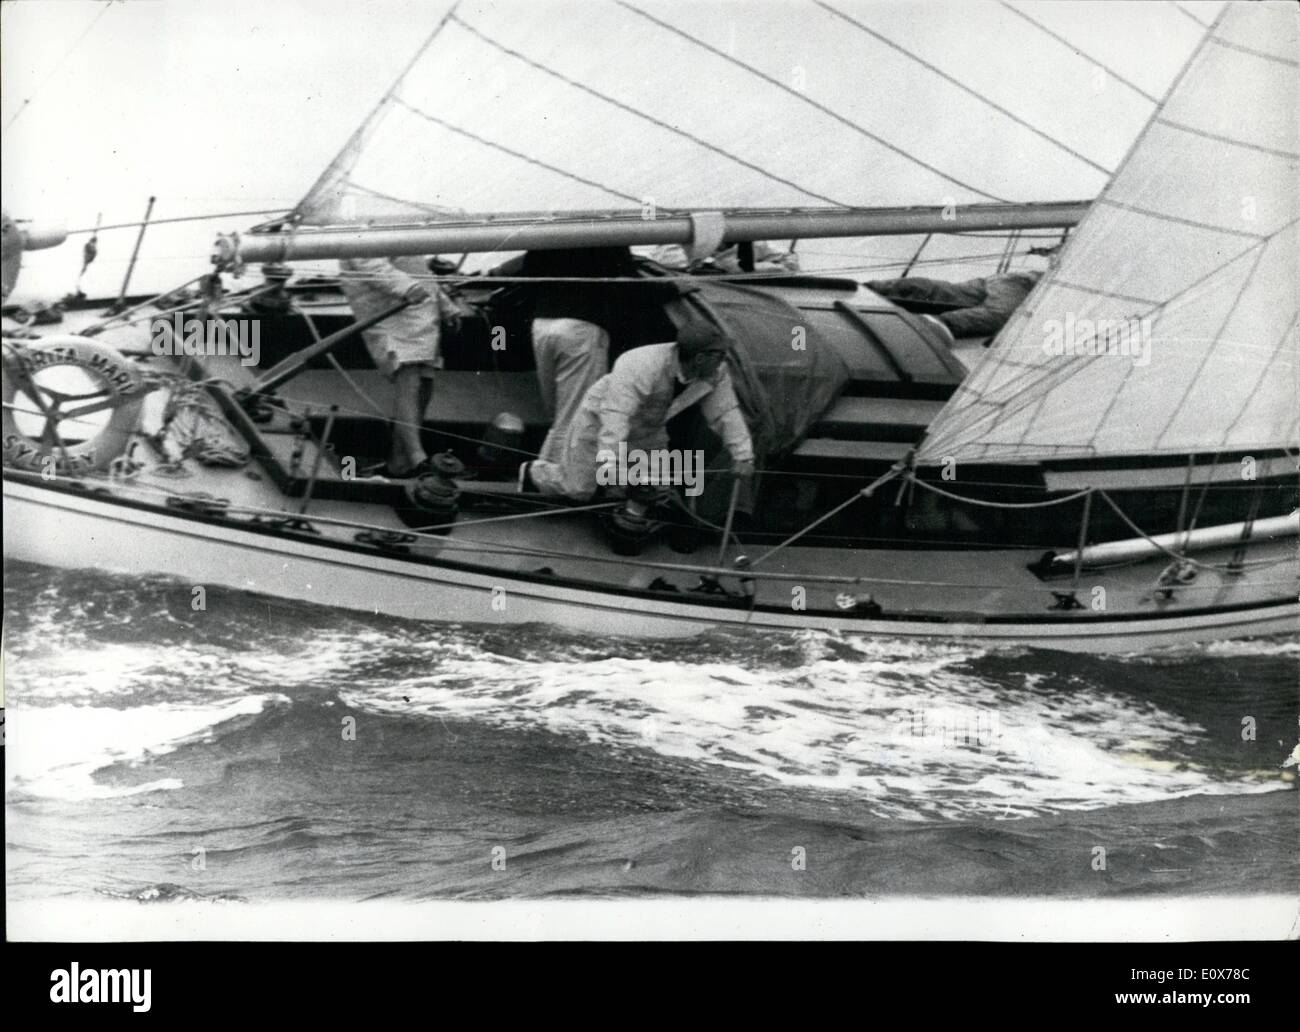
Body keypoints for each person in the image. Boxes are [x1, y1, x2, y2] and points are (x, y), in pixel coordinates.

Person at [521, 319, 754, 516]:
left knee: (651, 490)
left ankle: (627, 526)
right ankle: (534, 472)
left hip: (649, 430)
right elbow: (616, 416)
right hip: (598, 420)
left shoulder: (715, 373)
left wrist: (742, 455)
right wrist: (610, 466)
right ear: (701, 358)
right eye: (720, 355)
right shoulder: (641, 364)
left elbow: (725, 412)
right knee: (578, 488)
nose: (724, 360)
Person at [492, 248, 637, 468]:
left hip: (542, 325)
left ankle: (542, 472)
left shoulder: (550, 229)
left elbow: (525, 272)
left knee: (558, 415)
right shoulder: (610, 230)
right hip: (581, 325)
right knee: (575, 416)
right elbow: (628, 279)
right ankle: (554, 478)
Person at [338, 255, 445, 477]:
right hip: (387, 307)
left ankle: (399, 462)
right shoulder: (359, 226)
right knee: (409, 379)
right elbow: (367, 262)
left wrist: (445, 302)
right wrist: (407, 287)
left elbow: (415, 264)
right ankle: (418, 459)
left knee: (425, 383)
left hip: (419, 311)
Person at [866, 269, 1042, 339]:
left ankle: (877, 288)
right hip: (1023, 284)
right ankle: (941, 324)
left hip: (994, 284)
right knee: (1000, 315)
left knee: (946, 292)